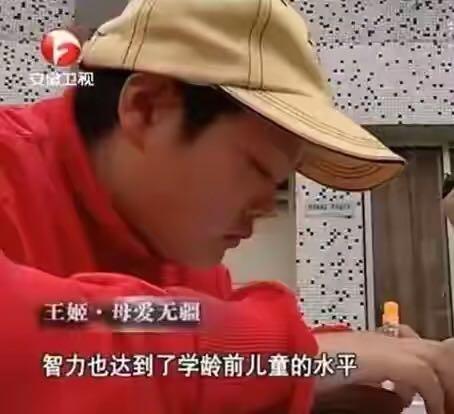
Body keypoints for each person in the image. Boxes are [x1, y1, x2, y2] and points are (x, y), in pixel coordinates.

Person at [0, 0, 453, 413]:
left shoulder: (178, 250)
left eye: (279, 182)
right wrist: (291, 355)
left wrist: (336, 376)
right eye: (255, 167)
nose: (264, 206)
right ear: (145, 108)